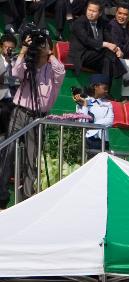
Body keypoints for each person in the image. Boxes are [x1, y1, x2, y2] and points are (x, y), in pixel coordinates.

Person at [0, 32, 65, 204]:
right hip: (19, 112)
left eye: (43, 44)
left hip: (37, 118)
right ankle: (1, 197)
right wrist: (24, 49)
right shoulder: (28, 65)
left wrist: (48, 53)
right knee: (8, 155)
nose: (40, 47)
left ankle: (27, 199)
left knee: (31, 158)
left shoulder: (53, 70)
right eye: (39, 45)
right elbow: (15, 72)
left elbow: (61, 71)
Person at [67, 2, 122, 83]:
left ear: (100, 13)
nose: (90, 13)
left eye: (94, 11)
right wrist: (105, 44)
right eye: (89, 10)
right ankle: (123, 75)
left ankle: (105, 92)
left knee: (108, 62)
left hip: (95, 55)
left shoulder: (101, 23)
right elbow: (86, 40)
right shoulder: (79, 22)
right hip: (81, 55)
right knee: (107, 52)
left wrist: (117, 49)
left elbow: (109, 39)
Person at [73, 73, 113, 156]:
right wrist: (84, 105)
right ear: (95, 87)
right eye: (104, 88)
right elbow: (82, 121)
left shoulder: (108, 104)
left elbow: (110, 121)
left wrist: (91, 124)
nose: (106, 91)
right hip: (87, 139)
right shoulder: (83, 101)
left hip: (103, 140)